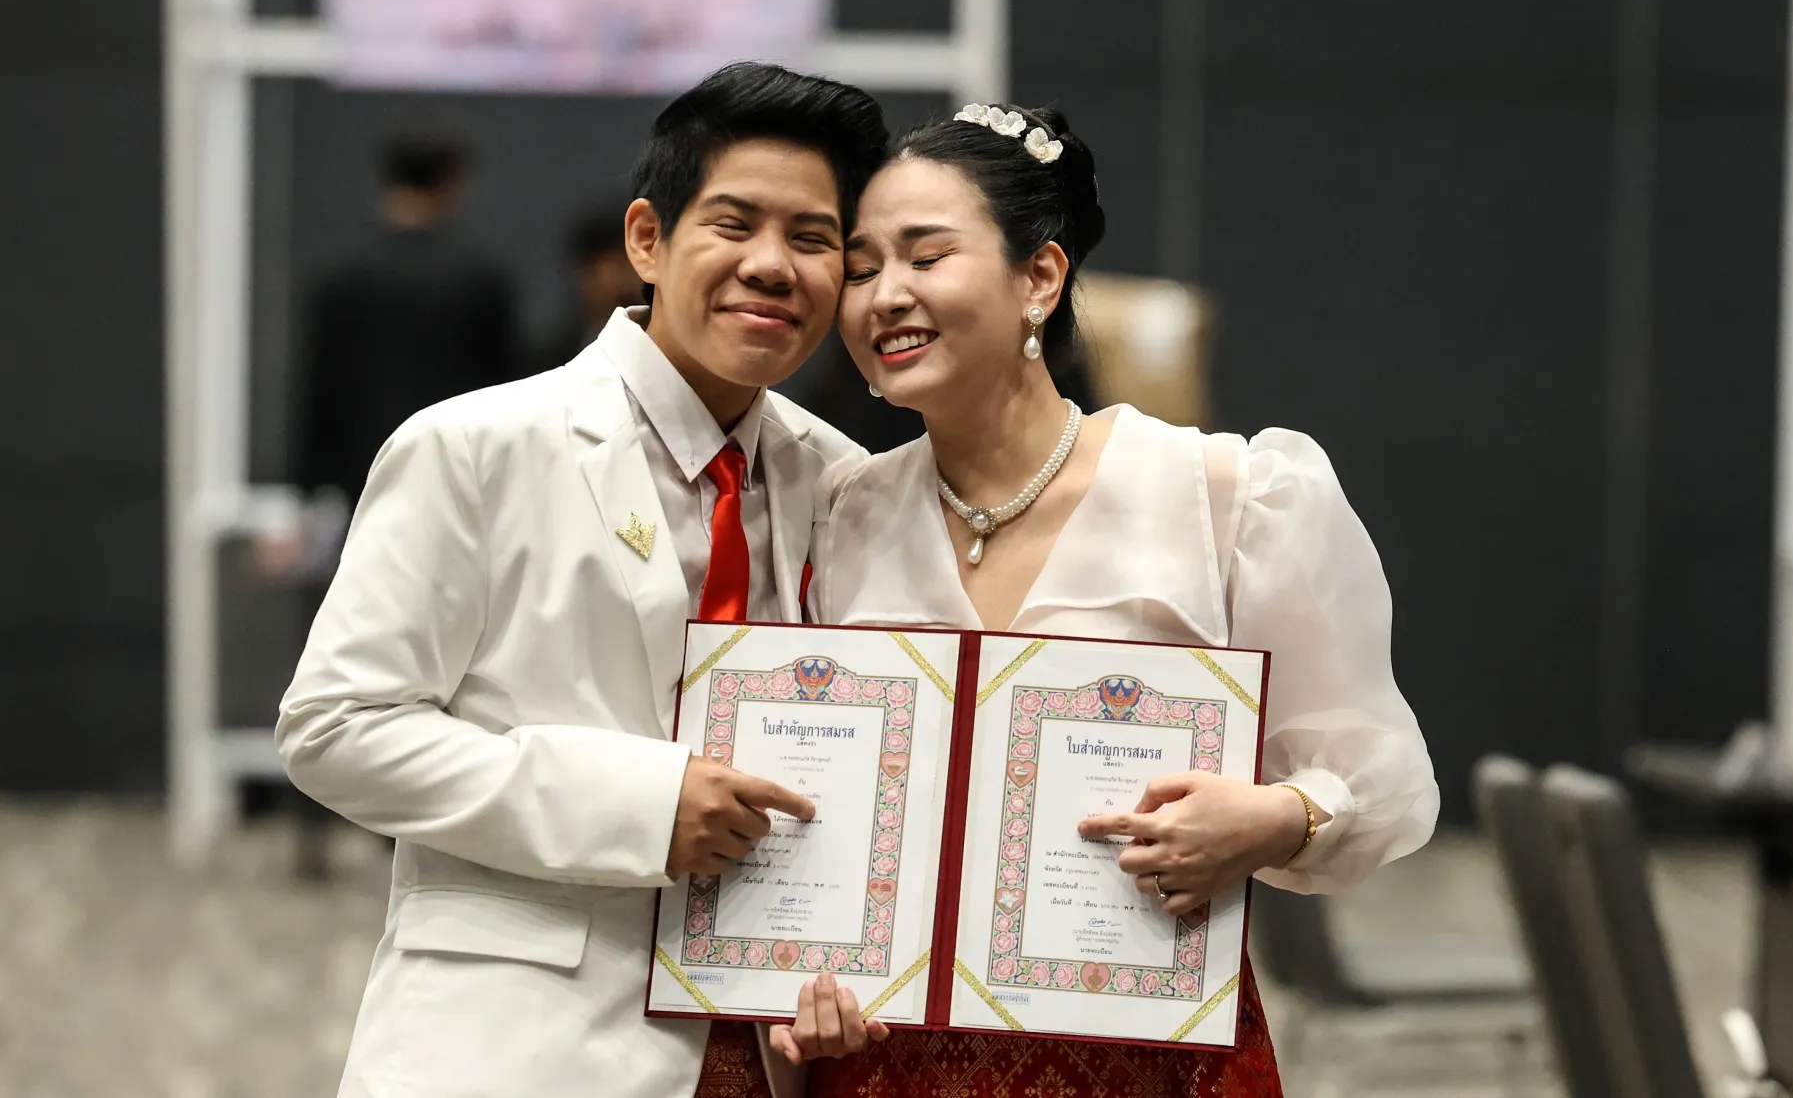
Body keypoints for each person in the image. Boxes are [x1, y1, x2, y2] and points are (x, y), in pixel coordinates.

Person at [780, 103, 1439, 1095]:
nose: (885, 295)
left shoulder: (1223, 493)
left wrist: (1271, 817)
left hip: (1144, 1052)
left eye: (924, 255)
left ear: (1038, 276)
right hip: (893, 1062)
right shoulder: (833, 512)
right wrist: (801, 984)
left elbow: (1384, 782)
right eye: (863, 266)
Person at [276, 62, 889, 1098]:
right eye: (733, 223)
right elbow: (335, 727)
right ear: (646, 239)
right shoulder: (477, 447)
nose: (772, 265)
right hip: (517, 1043)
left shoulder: (841, 479)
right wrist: (641, 805)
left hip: (759, 1050)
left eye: (813, 237)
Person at [295, 129, 519, 515]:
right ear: (453, 181)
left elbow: (323, 388)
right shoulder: (481, 282)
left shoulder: (343, 280)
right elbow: (502, 388)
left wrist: (309, 488)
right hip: (456, 474)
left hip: (365, 479)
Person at [530, 194, 648, 372]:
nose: (625, 279)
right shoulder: (544, 363)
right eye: (615, 265)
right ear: (583, 273)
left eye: (629, 263)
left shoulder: (671, 355)